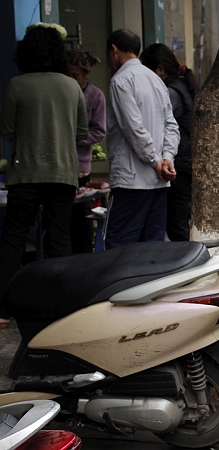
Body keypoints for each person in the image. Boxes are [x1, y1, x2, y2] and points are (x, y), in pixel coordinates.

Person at [0, 25, 88, 328]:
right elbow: (82, 133)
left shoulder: (17, 85)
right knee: (58, 238)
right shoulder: (71, 86)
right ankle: (59, 306)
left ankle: (5, 309)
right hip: (63, 173)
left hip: (24, 174)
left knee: (13, 239)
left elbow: (7, 131)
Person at [103, 29, 179, 249]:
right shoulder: (155, 79)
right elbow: (171, 126)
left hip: (131, 181)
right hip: (158, 181)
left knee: (120, 247)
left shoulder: (120, 81)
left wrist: (158, 161)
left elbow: (133, 128)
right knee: (151, 247)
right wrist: (167, 158)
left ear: (114, 50)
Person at [140, 43, 197, 242]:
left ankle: (190, 267)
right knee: (176, 222)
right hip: (183, 161)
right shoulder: (179, 87)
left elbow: (164, 126)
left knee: (176, 224)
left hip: (179, 163)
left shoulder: (170, 92)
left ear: (160, 71)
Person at [65, 49, 106, 253]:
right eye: (68, 74)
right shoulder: (63, 92)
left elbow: (99, 131)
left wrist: (74, 138)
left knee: (81, 219)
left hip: (80, 167)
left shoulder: (95, 96)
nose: (71, 79)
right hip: (61, 167)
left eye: (75, 76)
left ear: (86, 74)